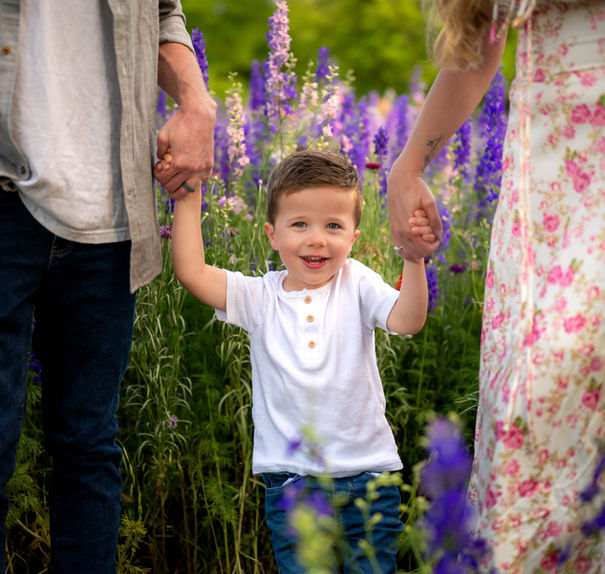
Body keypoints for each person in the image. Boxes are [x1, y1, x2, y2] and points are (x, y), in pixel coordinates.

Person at [387, 0, 605, 571]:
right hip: (560, 199)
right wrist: (408, 166)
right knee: (545, 409)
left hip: (564, 185)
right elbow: (476, 45)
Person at [0, 1, 216, 572]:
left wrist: (196, 101)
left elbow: (165, 12)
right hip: (7, 196)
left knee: (88, 448)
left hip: (112, 206)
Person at [167, 148, 438, 573]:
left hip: (368, 483)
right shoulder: (260, 298)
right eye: (299, 225)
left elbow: (407, 320)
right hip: (293, 486)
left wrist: (413, 258)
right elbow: (192, 272)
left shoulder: (357, 282)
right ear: (272, 235)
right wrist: (188, 194)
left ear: (353, 236)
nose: (316, 239)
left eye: (333, 226)